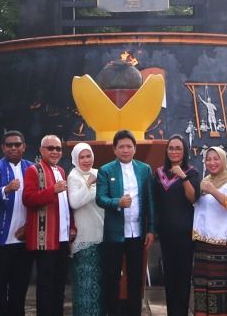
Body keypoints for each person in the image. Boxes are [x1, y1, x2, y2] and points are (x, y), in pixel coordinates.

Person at [97, 130, 156, 316]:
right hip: (114, 233)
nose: (125, 150)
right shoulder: (106, 170)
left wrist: (151, 230)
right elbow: (100, 198)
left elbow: (150, 201)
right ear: (114, 149)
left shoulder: (144, 169)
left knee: (135, 279)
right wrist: (117, 203)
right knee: (112, 278)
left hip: (137, 233)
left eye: (129, 146)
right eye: (121, 146)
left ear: (135, 148)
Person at [0, 130, 35, 316]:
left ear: (24, 147)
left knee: (20, 288)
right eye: (9, 145)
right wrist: (6, 188)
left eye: (17, 144)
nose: (13, 148)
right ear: (2, 148)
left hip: (24, 240)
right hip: (1, 240)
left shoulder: (32, 168)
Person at [24, 135, 73, 316]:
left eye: (58, 148)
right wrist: (52, 190)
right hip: (45, 238)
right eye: (50, 148)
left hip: (62, 237)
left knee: (60, 285)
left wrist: (71, 227)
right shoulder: (33, 170)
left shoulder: (61, 170)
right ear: (41, 150)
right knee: (45, 286)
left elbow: (66, 205)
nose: (54, 151)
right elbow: (27, 199)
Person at [152, 134, 200, 316]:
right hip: (166, 234)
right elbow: (155, 202)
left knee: (183, 277)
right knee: (170, 278)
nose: (174, 151)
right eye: (171, 148)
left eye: (178, 148)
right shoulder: (158, 174)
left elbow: (192, 197)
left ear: (184, 151)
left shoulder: (192, 172)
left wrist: (183, 178)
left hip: (185, 234)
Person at [192, 146, 227, 316]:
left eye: (216, 158)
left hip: (221, 242)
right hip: (202, 241)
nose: (212, 162)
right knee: (201, 285)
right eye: (208, 159)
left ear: (223, 160)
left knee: (218, 287)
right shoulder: (205, 180)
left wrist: (212, 191)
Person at [66, 142, 103, 316]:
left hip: (102, 236)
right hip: (85, 238)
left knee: (100, 285)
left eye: (88, 156)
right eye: (82, 157)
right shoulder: (74, 176)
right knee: (85, 286)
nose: (86, 160)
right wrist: (88, 184)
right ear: (75, 158)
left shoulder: (98, 173)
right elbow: (75, 202)